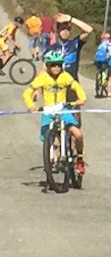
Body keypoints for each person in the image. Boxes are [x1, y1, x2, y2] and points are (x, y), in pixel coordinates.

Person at [23, 50, 87, 180]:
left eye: (59, 65)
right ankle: (50, 168)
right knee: (48, 141)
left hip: (63, 110)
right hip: (48, 112)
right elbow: (27, 92)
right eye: (53, 65)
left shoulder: (65, 76)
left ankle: (80, 160)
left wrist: (81, 98)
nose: (56, 68)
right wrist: (30, 105)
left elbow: (76, 87)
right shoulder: (43, 78)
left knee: (78, 134)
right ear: (47, 66)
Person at [47, 14, 93, 82]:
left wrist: (71, 19)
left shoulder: (75, 44)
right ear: (58, 30)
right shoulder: (51, 48)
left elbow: (89, 30)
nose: (65, 32)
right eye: (63, 29)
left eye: (68, 29)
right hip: (56, 83)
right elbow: (44, 69)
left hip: (72, 83)